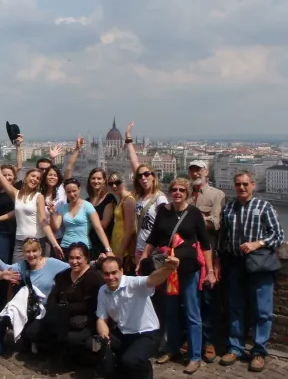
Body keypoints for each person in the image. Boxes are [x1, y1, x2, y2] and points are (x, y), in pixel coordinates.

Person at [142, 178, 214, 375]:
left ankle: (195, 356)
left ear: (188, 193)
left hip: (189, 271)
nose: (177, 192)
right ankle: (173, 349)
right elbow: (153, 237)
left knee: (192, 313)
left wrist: (210, 270)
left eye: (182, 190)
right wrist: (144, 257)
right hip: (167, 271)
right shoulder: (163, 212)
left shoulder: (194, 214)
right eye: (174, 189)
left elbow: (205, 244)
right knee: (171, 312)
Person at [216, 170, 284, 373]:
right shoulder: (228, 209)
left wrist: (258, 243)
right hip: (235, 264)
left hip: (259, 264)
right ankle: (235, 347)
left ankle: (259, 351)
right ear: (234, 186)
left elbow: (278, 235)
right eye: (238, 184)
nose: (242, 188)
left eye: (246, 184)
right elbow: (223, 239)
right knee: (235, 307)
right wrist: (219, 260)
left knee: (262, 311)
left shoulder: (264, 207)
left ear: (253, 185)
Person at [96, 254, 180, 379]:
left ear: (121, 271)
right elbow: (101, 319)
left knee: (130, 360)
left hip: (147, 333)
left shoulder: (133, 283)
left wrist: (169, 268)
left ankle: (146, 372)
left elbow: (152, 279)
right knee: (95, 345)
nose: (110, 277)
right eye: (106, 274)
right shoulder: (103, 290)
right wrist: (104, 337)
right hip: (123, 333)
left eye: (114, 273)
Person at [0, 142, 64, 262]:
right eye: (32, 176)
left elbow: (43, 221)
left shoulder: (38, 196)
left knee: (36, 276)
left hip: (38, 240)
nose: (35, 179)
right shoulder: (16, 194)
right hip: (20, 242)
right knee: (16, 275)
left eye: (38, 178)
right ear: (26, 178)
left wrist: (54, 243)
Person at [0, 237, 70, 353]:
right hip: (30, 308)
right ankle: (29, 338)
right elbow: (6, 268)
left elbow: (73, 266)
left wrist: (95, 263)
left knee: (33, 333)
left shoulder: (51, 263)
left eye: (34, 251)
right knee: (11, 318)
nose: (31, 255)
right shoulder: (22, 266)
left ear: (40, 251)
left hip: (47, 309)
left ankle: (40, 341)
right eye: (28, 252)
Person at [187, 160, 226, 362]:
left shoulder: (216, 195)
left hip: (207, 255)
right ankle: (190, 338)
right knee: (188, 300)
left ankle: (209, 341)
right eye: (192, 169)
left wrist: (195, 219)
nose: (195, 173)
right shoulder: (183, 193)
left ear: (206, 171)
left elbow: (217, 223)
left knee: (208, 301)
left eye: (198, 169)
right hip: (186, 257)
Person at [43, 242, 103, 358]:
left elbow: (89, 305)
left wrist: (64, 309)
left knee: (73, 339)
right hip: (62, 316)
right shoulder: (63, 275)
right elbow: (53, 295)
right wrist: (54, 309)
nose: (74, 261)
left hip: (84, 320)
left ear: (86, 259)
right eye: (71, 258)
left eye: (78, 258)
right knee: (38, 329)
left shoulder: (93, 277)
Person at [125, 122, 168, 264]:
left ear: (153, 176)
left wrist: (147, 252)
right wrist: (129, 140)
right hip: (139, 249)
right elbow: (134, 163)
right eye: (140, 176)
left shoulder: (160, 198)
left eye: (147, 174)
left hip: (153, 251)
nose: (143, 177)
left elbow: (165, 225)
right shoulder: (140, 196)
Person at [48, 178, 113, 260]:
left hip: (83, 248)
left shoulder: (87, 206)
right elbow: (55, 227)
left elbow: (98, 228)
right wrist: (51, 214)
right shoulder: (63, 207)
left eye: (74, 191)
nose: (72, 194)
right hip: (65, 247)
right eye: (68, 192)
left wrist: (108, 249)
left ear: (79, 189)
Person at [107, 172, 137, 272]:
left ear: (123, 182)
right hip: (117, 245)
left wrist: (121, 252)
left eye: (117, 182)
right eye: (111, 184)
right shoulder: (120, 199)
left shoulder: (128, 200)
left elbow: (130, 229)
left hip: (124, 250)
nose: (114, 186)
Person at [85, 167, 116, 260]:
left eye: (99, 179)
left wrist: (85, 224)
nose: (96, 181)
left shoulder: (109, 198)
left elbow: (104, 224)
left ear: (104, 181)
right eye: (93, 178)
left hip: (103, 244)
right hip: (89, 243)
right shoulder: (87, 201)